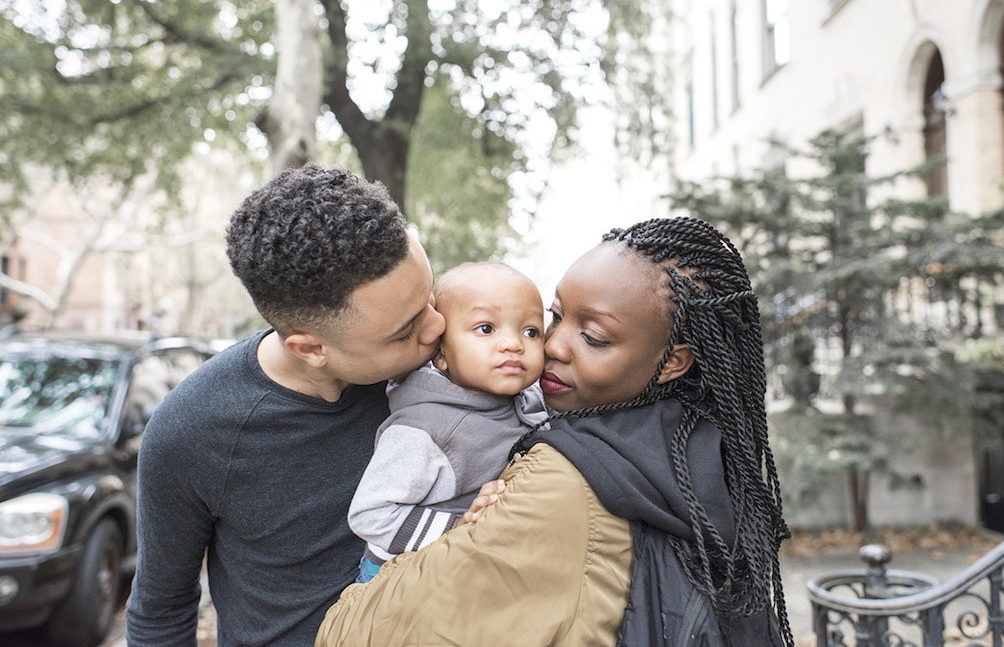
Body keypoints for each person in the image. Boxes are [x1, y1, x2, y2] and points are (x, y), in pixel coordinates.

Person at [316, 216, 793, 646]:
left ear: (672, 362)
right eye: (557, 317)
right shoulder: (700, 441)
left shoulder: (562, 480)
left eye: (594, 337)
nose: (552, 346)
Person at [124, 164, 446, 646]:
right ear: (311, 348)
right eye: (405, 330)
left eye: (430, 298)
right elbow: (160, 610)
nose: (438, 327)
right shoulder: (190, 434)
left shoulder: (445, 367)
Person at [348, 262, 548, 582]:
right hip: (399, 578)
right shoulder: (426, 430)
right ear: (440, 355)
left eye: (531, 331)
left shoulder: (528, 398)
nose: (514, 343)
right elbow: (370, 515)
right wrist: (456, 527)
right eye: (486, 328)